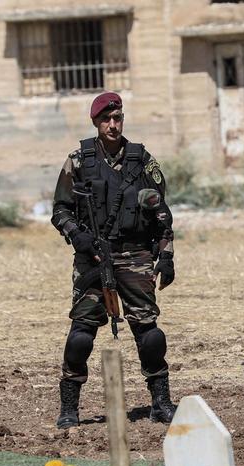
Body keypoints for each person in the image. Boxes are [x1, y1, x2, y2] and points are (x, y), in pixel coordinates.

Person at [50, 92, 178, 429]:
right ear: (95, 122)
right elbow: (60, 210)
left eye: (117, 118)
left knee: (149, 334)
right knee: (80, 335)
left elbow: (162, 213)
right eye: (106, 119)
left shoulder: (141, 160)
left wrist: (166, 254)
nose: (112, 124)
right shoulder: (78, 160)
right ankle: (69, 408)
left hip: (135, 255)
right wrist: (77, 235)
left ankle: (161, 403)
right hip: (93, 255)